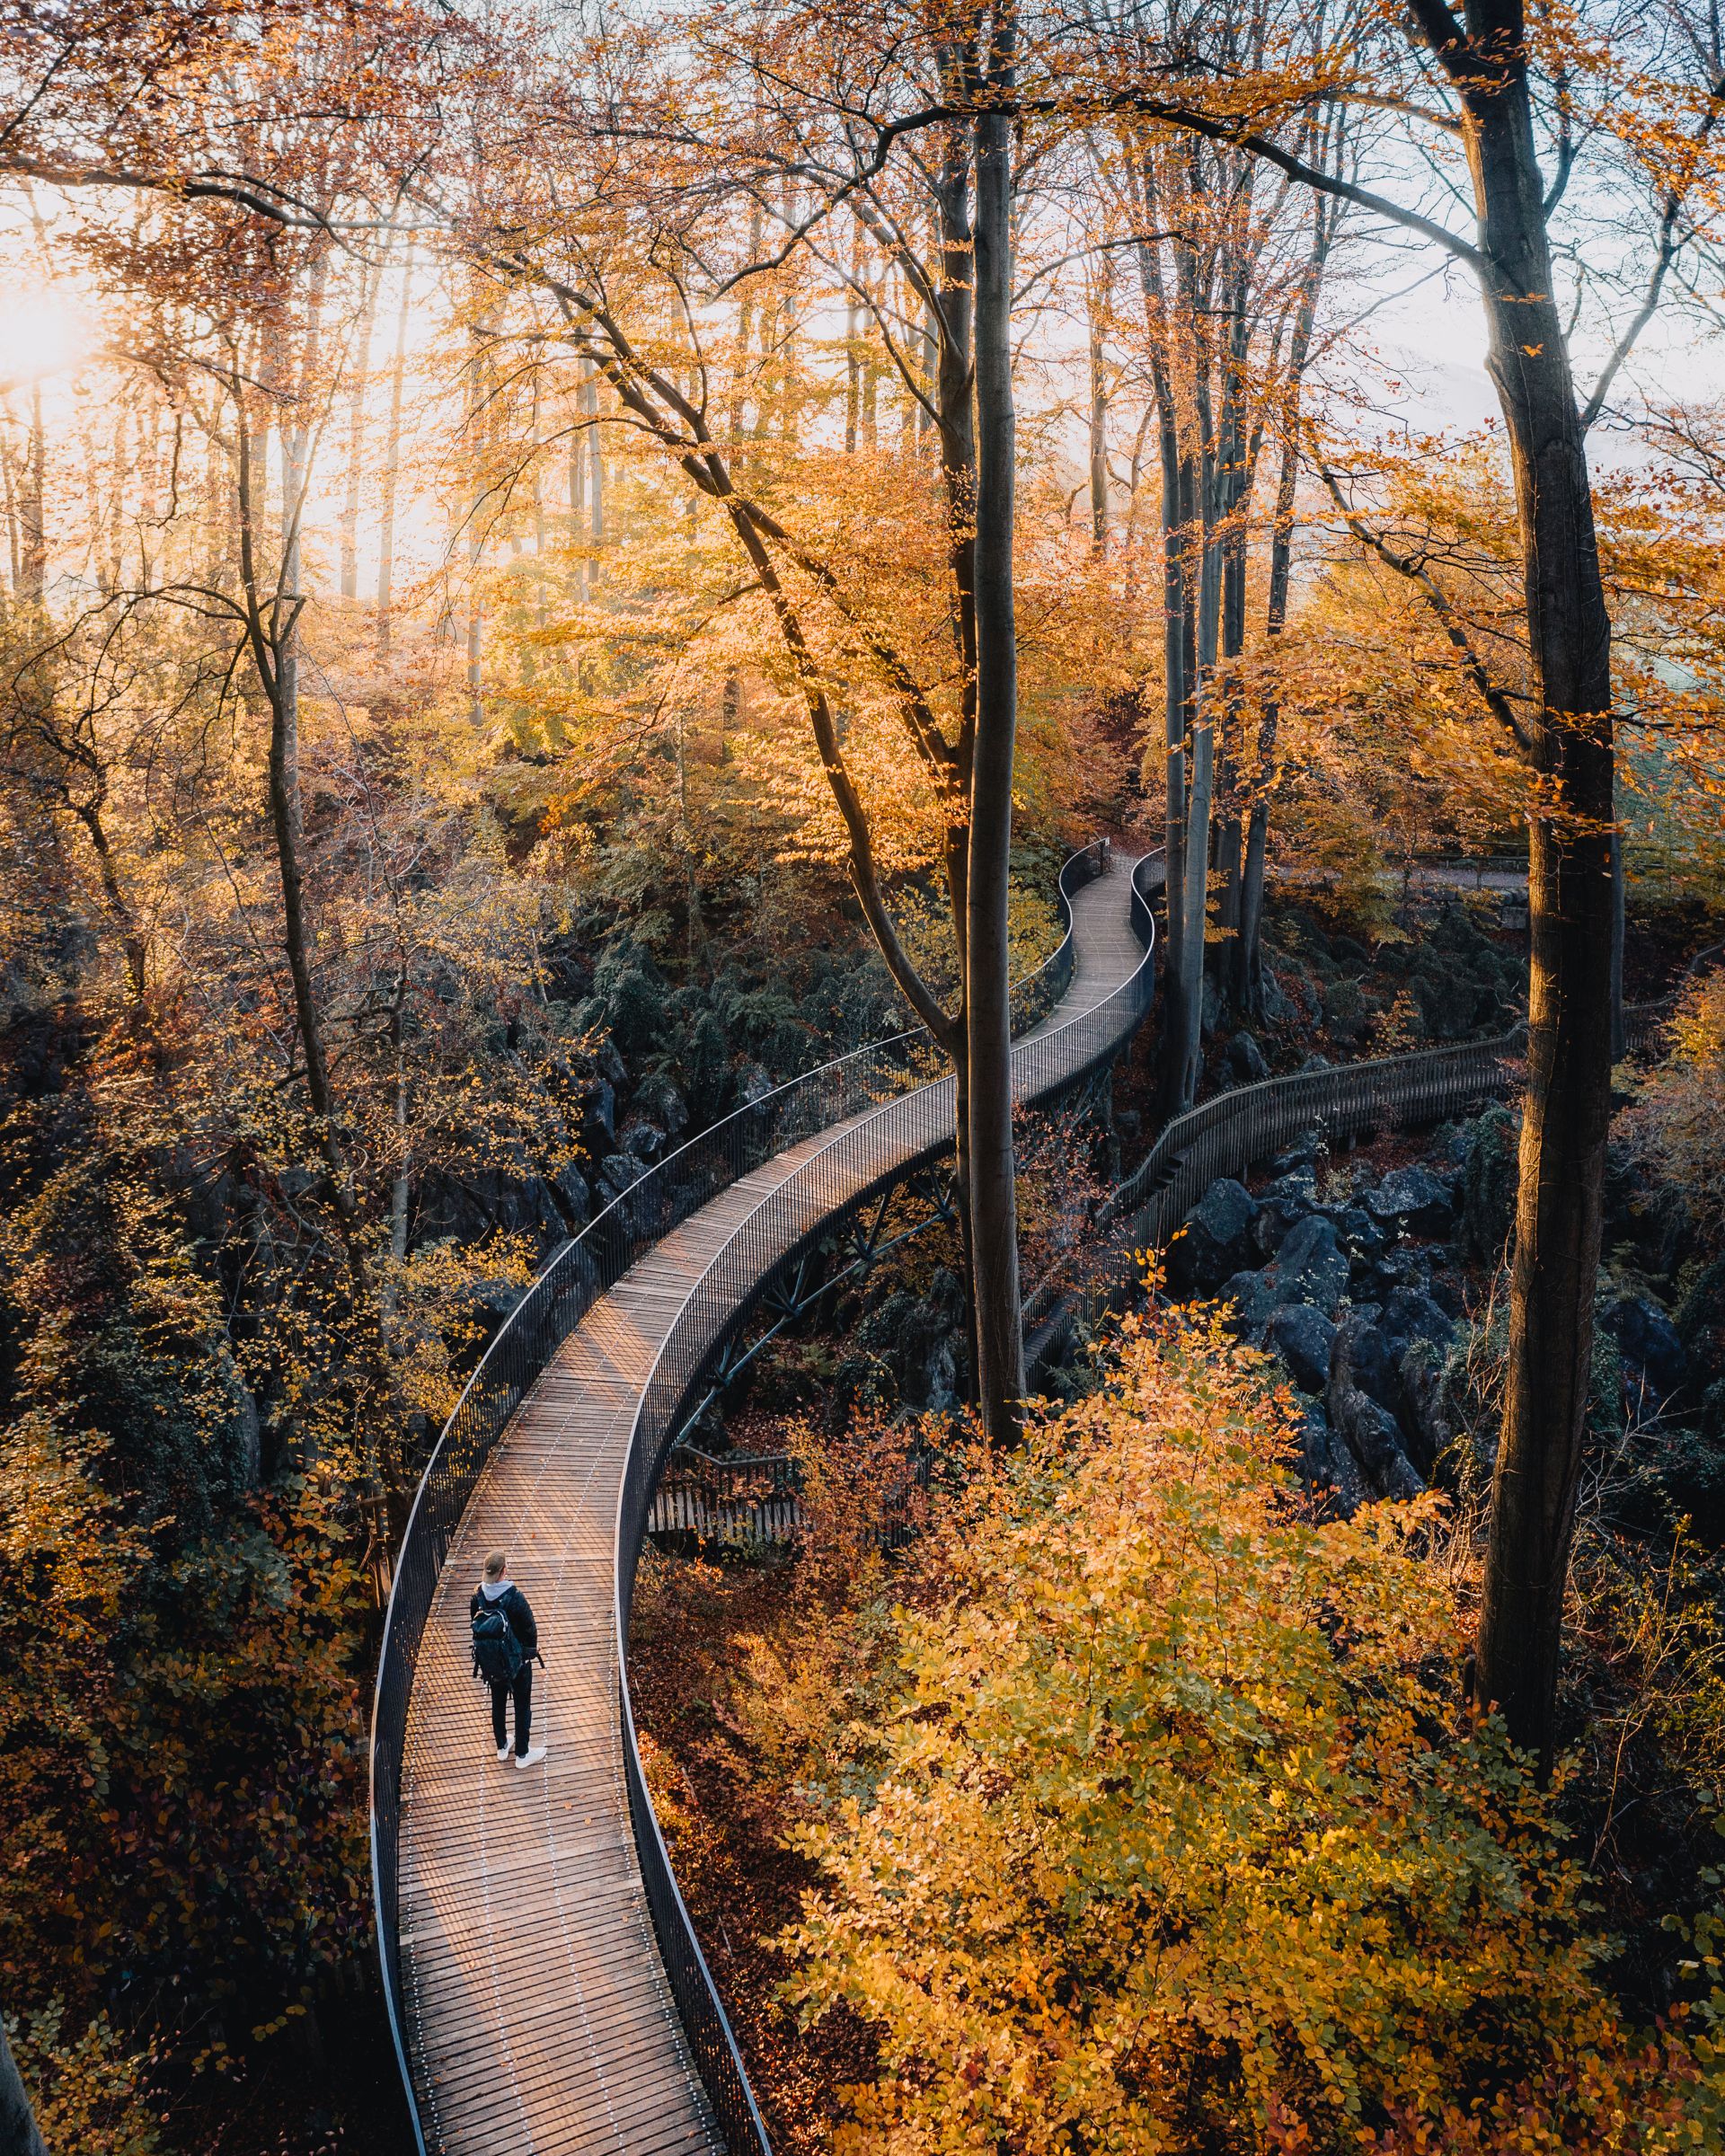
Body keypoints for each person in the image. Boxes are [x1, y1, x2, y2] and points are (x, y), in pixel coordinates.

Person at [470, 1550, 545, 1768]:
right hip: (516, 1659)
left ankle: (502, 1746)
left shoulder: (477, 1595)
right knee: (522, 1703)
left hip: (491, 1659)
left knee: (498, 1700)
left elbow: (475, 1624)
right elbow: (529, 1627)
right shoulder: (513, 1596)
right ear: (504, 1571)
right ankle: (522, 1753)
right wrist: (529, 1653)